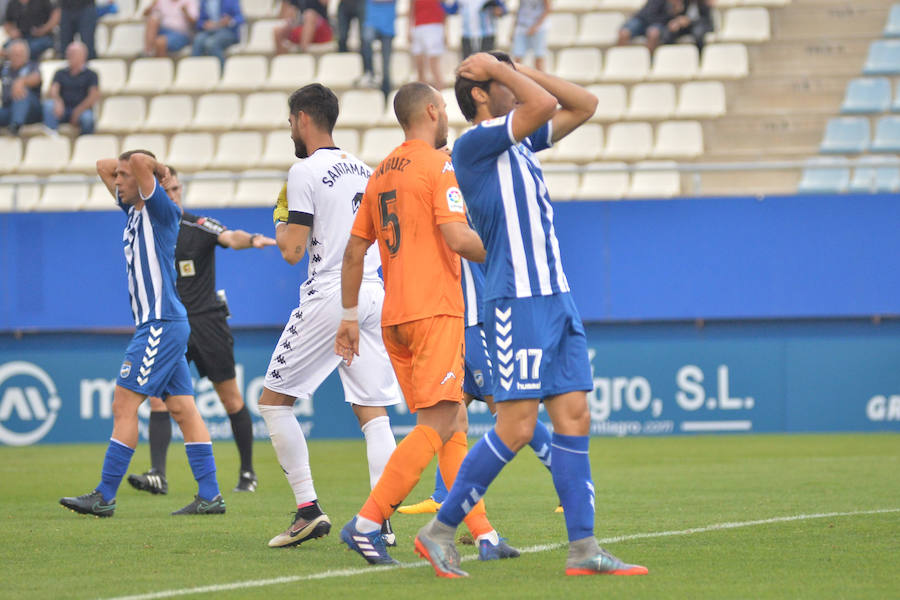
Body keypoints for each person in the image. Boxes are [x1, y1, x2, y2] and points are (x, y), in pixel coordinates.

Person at [412, 51, 648, 578]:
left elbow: (583, 104)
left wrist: (509, 66)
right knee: (517, 425)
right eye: (502, 80)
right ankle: (440, 531)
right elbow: (542, 104)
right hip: (514, 300)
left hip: (555, 297)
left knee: (574, 417)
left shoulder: (516, 143)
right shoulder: (474, 144)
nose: (515, 86)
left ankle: (584, 549)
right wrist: (500, 72)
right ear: (480, 93)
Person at [336, 81, 519, 566]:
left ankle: (484, 534)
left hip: (394, 316)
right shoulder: (441, 164)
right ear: (434, 110)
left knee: (452, 422)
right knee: (436, 426)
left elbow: (355, 250)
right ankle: (368, 522)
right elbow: (458, 237)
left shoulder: (381, 172)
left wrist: (349, 316)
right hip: (433, 310)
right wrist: (504, 253)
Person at [258, 83, 403, 549]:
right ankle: (380, 520)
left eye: (289, 121)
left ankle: (308, 510)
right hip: (375, 291)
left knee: (272, 402)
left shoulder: (303, 170)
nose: (290, 130)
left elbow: (292, 250)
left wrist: (279, 218)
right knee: (374, 414)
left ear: (302, 118)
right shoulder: (365, 168)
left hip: (332, 293)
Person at [60, 150, 225, 518]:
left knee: (123, 404)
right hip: (165, 324)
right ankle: (211, 495)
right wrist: (130, 169)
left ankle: (104, 495)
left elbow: (137, 159)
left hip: (159, 324)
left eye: (124, 177)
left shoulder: (161, 210)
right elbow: (103, 164)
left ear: (144, 180)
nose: (116, 181)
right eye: (117, 177)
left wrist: (156, 169)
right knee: (183, 408)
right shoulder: (132, 210)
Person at [126, 166, 275, 497]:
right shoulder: (150, 229)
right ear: (155, 194)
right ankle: (158, 475)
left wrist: (251, 240)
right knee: (158, 400)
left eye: (178, 189)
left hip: (207, 321)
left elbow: (229, 237)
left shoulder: (198, 224)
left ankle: (247, 472)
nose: (175, 195)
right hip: (170, 325)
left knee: (230, 397)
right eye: (168, 190)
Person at [398, 257, 555, 515]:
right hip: (458, 325)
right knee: (451, 412)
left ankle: (567, 485)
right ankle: (441, 495)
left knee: (510, 413)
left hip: (475, 322)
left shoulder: (461, 220)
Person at [41, 41, 99, 135]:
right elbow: (53, 90)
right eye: (69, 54)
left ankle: (85, 143)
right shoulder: (60, 73)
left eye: (73, 54)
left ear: (83, 56)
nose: (69, 56)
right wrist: (57, 101)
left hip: (82, 109)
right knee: (48, 105)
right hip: (63, 109)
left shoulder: (91, 74)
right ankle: (52, 135)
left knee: (88, 119)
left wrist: (78, 111)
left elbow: (93, 96)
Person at [0, 39, 41, 135]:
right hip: (9, 109)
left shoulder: (32, 66)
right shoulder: (5, 68)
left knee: (22, 93)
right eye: (14, 54)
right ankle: (14, 122)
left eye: (20, 54)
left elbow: (36, 78)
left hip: (31, 111)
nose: (17, 57)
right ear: (9, 56)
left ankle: (16, 126)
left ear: (26, 55)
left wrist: (21, 81)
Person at [355, 0, 393, 97]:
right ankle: (369, 72)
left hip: (388, 26)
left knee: (386, 67)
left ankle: (386, 95)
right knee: (365, 40)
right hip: (372, 23)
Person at [191, 0, 243, 69]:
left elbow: (241, 18)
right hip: (210, 30)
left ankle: (222, 71)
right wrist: (204, 24)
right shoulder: (204, 1)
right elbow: (199, 21)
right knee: (198, 40)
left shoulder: (231, 1)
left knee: (211, 43)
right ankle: (195, 71)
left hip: (228, 31)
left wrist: (230, 21)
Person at [409, 0, 446, 90]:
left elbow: (445, 10)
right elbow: (411, 9)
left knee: (434, 66)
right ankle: (422, 99)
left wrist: (445, 31)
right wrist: (409, 29)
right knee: (419, 67)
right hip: (418, 27)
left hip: (435, 27)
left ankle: (440, 98)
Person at [510, 0, 548, 71]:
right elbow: (520, 9)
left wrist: (536, 26)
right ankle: (516, 80)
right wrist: (513, 30)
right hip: (521, 26)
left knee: (539, 57)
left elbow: (548, 8)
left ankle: (541, 81)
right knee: (517, 57)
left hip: (539, 28)